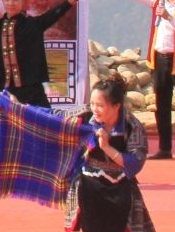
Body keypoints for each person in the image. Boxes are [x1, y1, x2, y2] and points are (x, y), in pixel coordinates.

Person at [0, 0, 77, 180]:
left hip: (31, 90)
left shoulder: (33, 25)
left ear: (23, 0)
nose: (10, 3)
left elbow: (56, 12)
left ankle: (65, 170)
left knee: (50, 127)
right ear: (2, 0)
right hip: (3, 92)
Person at [90, 0, 175, 159]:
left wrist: (169, 18)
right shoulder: (157, 1)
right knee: (162, 104)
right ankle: (164, 148)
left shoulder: (167, 10)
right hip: (161, 59)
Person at [64, 72, 155, 232]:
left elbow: (135, 162)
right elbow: (52, 120)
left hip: (120, 188)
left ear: (116, 106)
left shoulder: (132, 126)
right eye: (92, 104)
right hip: (88, 187)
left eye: (100, 105)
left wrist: (107, 147)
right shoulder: (84, 118)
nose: (94, 109)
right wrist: (21, 109)